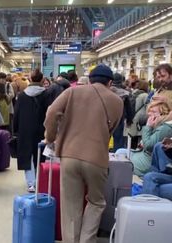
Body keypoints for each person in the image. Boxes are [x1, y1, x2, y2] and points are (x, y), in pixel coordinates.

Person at [44, 64, 123, 243]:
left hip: (69, 155)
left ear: (90, 79)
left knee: (71, 205)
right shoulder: (116, 100)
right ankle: (87, 240)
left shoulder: (72, 92)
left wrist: (51, 138)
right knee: (96, 202)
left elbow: (51, 113)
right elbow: (113, 128)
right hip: (97, 158)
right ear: (110, 82)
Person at [14, 69, 50, 192]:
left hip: (25, 130)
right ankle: (40, 180)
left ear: (30, 79)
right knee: (40, 156)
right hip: (42, 130)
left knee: (27, 157)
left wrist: (16, 129)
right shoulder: (47, 95)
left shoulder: (22, 95)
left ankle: (31, 183)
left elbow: (17, 113)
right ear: (42, 80)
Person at [121, 100, 172, 176]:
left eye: (154, 112)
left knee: (120, 160)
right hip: (143, 156)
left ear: (163, 114)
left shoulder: (165, 129)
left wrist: (148, 127)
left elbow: (148, 145)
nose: (150, 114)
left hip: (148, 163)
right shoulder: (158, 124)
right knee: (120, 152)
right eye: (149, 111)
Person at [110, 73, 135, 152]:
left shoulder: (106, 90)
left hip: (106, 117)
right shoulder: (125, 93)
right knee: (118, 139)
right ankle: (117, 156)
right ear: (121, 81)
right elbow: (129, 108)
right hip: (119, 118)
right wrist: (129, 120)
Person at [126, 80, 149, 148]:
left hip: (134, 116)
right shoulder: (145, 95)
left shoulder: (134, 92)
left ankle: (131, 150)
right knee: (139, 137)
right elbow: (148, 107)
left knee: (133, 137)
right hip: (141, 118)